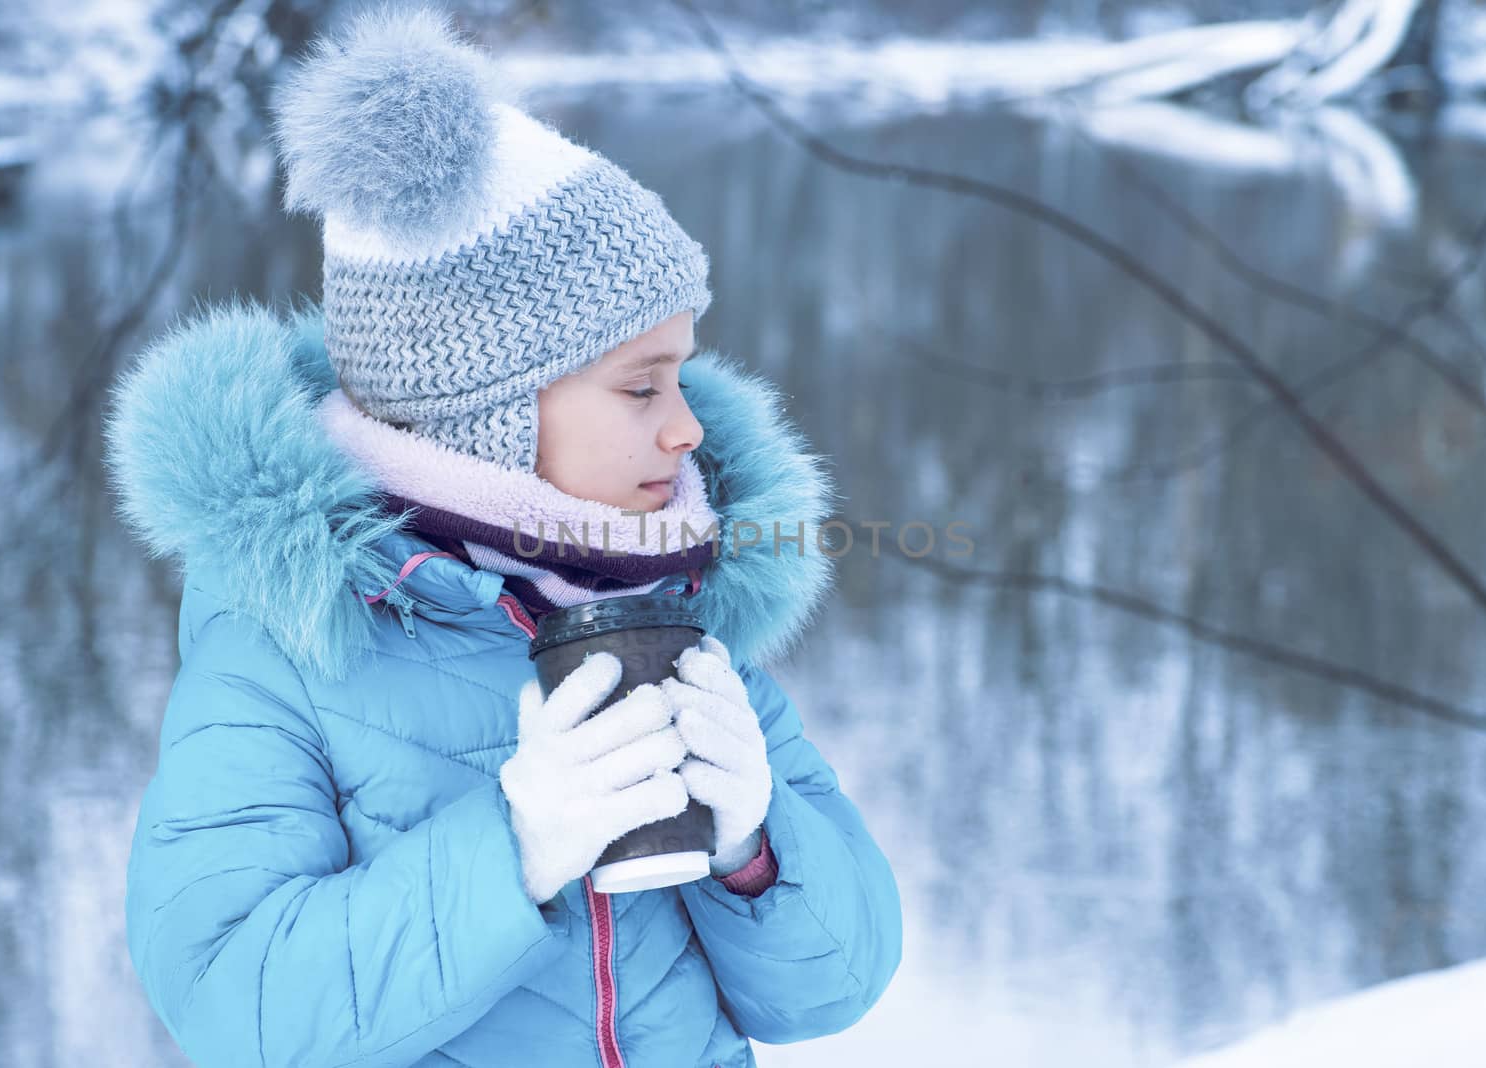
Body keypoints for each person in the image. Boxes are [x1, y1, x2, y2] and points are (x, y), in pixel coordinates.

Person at [104, 6, 902, 1068]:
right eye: (639, 387)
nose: (687, 425)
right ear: (486, 413)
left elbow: (833, 994)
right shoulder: (283, 645)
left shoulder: (676, 600)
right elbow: (231, 1011)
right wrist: (513, 845)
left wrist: (755, 846)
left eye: (680, 371)